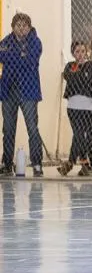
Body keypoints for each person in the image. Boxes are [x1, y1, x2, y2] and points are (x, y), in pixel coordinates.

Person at [0, 12, 44, 177]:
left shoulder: (35, 42)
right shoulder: (6, 41)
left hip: (28, 92)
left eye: (25, 25)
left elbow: (30, 60)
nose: (21, 29)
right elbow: (1, 55)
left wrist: (13, 58)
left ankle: (37, 163)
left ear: (29, 27)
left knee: (32, 128)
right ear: (13, 27)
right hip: (9, 91)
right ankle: (6, 163)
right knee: (8, 129)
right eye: (18, 25)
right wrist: (19, 56)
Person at [59, 41, 92, 177]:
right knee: (78, 134)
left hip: (90, 107)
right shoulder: (70, 66)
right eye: (77, 51)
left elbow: (91, 79)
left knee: (89, 137)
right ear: (73, 53)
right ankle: (83, 163)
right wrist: (82, 77)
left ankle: (86, 164)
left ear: (87, 51)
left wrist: (79, 78)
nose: (80, 54)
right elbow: (69, 77)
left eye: (83, 51)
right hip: (74, 106)